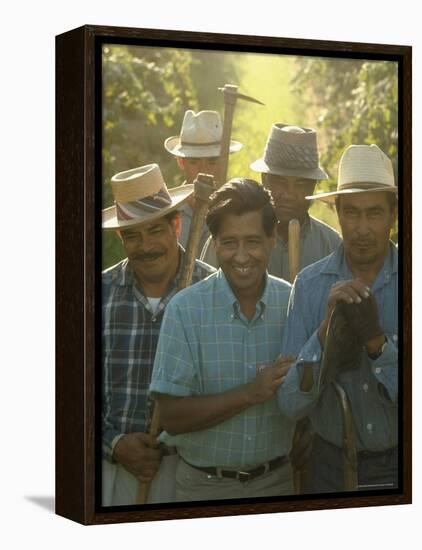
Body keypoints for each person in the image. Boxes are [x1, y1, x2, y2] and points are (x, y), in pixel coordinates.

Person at [150, 179, 296, 502]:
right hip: (202, 488)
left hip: (277, 484)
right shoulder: (185, 311)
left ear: (273, 239)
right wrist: (251, 393)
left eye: (253, 242)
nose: (241, 256)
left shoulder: (293, 304)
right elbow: (171, 418)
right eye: (229, 243)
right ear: (214, 243)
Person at [277, 144, 398, 493]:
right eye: (351, 213)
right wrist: (325, 331)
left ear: (393, 215)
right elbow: (290, 404)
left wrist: (377, 344)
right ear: (338, 214)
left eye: (374, 213)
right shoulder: (311, 286)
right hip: (330, 466)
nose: (362, 228)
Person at [101, 163, 214, 506]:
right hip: (113, 470)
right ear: (121, 238)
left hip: (191, 469)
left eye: (154, 231)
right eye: (132, 235)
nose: (145, 246)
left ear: (176, 225)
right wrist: (114, 443)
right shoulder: (97, 294)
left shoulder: (210, 292)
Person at [200, 123, 341, 279]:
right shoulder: (228, 239)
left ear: (314, 186)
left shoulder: (331, 245)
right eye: (280, 182)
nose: (289, 194)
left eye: (301, 184)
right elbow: (205, 293)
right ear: (264, 180)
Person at [165, 109, 242, 256]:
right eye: (194, 163)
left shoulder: (237, 209)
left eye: (212, 162)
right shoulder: (168, 213)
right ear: (181, 162)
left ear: (223, 163)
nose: (204, 170)